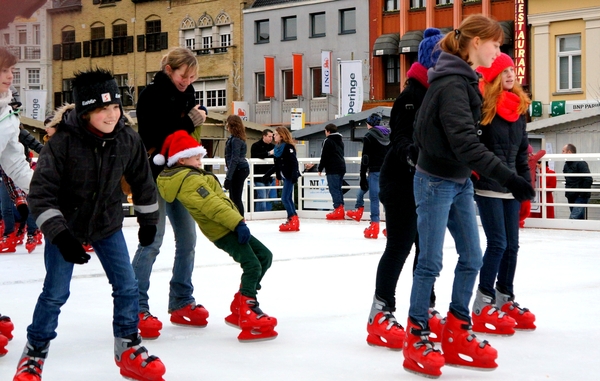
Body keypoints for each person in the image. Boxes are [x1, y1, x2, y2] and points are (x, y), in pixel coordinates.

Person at [403, 15, 535, 378]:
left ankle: (458, 328)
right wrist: (510, 178)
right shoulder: (452, 85)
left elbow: (452, 140)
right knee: (430, 262)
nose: (499, 51)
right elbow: (464, 142)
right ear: (476, 42)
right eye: (495, 44)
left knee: (473, 258)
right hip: (434, 182)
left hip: (458, 180)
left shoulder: (464, 80)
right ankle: (417, 334)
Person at [13, 68, 164, 381]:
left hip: (106, 223)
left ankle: (127, 347)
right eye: (102, 109)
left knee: (127, 286)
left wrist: (149, 219)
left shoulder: (127, 138)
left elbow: (143, 181)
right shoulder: (62, 143)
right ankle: (34, 353)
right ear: (85, 113)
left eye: (115, 107)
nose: (111, 115)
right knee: (55, 292)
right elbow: (41, 194)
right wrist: (61, 236)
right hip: (64, 226)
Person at [154, 130, 278, 341]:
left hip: (228, 224)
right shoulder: (188, 181)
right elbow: (211, 205)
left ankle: (241, 302)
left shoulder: (192, 175)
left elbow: (218, 201)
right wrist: (237, 222)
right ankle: (247, 309)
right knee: (252, 264)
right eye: (196, 157)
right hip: (222, 230)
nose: (200, 161)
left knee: (264, 256)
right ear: (182, 159)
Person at [367, 28, 444, 351]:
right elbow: (398, 140)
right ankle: (380, 310)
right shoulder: (411, 96)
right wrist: (414, 156)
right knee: (400, 245)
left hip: (426, 182)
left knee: (426, 250)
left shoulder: (439, 93)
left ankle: (424, 305)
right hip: (399, 182)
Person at [132, 47, 207, 340]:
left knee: (188, 240)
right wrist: (190, 120)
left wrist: (196, 117)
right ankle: (135, 305)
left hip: (183, 175)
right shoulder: (151, 95)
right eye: (182, 75)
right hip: (154, 174)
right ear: (169, 70)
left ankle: (181, 300)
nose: (186, 81)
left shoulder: (188, 95)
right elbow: (155, 134)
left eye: (191, 77)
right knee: (152, 241)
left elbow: (184, 136)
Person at [470, 53, 536, 336]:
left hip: (511, 185)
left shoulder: (519, 109)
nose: (510, 75)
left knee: (512, 246)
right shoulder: (483, 106)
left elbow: (522, 153)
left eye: (512, 70)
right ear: (493, 77)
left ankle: (504, 296)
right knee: (497, 243)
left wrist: (525, 186)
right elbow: (474, 146)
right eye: (503, 71)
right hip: (488, 184)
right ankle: (483, 300)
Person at [0, 46, 34, 357]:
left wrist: (41, 188)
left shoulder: (6, 114)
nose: (10, 76)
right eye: (4, 71)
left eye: (11, 71)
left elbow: (15, 163)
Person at [346, 113, 390, 238]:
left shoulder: (369, 136)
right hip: (387, 171)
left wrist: (362, 175)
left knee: (375, 199)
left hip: (375, 171)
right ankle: (390, 227)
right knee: (387, 200)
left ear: (369, 123)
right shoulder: (388, 134)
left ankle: (374, 226)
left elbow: (365, 158)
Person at [266, 127, 301, 232]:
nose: (274, 136)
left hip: (290, 175)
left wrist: (294, 174)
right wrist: (267, 174)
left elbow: (294, 162)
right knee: (288, 198)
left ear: (281, 135)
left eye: (276, 134)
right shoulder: (277, 148)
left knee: (284, 198)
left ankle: (293, 218)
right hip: (285, 176)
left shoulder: (288, 147)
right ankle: (293, 219)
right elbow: (277, 165)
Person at [318, 123, 346, 220]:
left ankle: (338, 209)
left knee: (333, 189)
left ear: (328, 131)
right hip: (341, 166)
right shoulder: (340, 141)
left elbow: (324, 155)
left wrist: (320, 168)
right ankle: (341, 209)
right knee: (338, 188)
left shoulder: (328, 141)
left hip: (332, 168)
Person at [224, 114, 250, 217]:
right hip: (239, 169)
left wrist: (228, 177)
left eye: (227, 123)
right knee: (233, 197)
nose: (226, 125)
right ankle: (236, 219)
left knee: (236, 197)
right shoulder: (235, 138)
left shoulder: (236, 140)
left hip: (239, 169)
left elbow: (234, 159)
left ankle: (240, 221)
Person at [562, 144, 592, 219]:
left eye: (563, 151)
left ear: (569, 152)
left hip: (580, 196)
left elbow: (588, 179)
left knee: (573, 218)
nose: (562, 153)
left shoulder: (580, 163)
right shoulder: (566, 165)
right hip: (571, 195)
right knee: (579, 219)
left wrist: (581, 193)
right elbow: (568, 179)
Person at [251, 129, 275, 212]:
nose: (271, 138)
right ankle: (260, 214)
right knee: (262, 197)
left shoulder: (273, 147)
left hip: (268, 176)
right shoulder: (256, 145)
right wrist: (269, 153)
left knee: (263, 197)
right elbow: (255, 155)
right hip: (259, 176)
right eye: (269, 136)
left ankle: (258, 214)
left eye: (272, 136)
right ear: (264, 136)